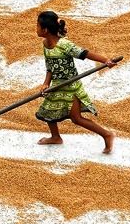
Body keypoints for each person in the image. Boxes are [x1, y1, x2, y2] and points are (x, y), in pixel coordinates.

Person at [35, 10, 116, 153]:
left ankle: (107, 134)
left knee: (76, 118)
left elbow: (85, 53)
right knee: (48, 111)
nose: (36, 28)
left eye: (37, 25)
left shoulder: (64, 45)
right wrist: (46, 83)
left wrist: (105, 61)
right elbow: (50, 67)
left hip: (70, 86)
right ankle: (55, 137)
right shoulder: (45, 44)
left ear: (45, 29)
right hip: (57, 86)